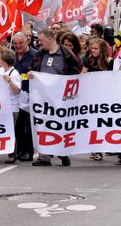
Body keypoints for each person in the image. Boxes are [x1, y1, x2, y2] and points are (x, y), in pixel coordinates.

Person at [30, 28, 81, 167]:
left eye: (41, 40)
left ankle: (63, 153)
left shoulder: (66, 54)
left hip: (60, 98)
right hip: (43, 98)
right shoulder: (40, 54)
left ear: (50, 38)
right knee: (43, 125)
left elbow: (74, 73)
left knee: (60, 125)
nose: (39, 43)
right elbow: (34, 69)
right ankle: (44, 156)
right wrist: (32, 75)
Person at [0, 48, 22, 164]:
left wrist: (10, 81)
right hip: (0, 106)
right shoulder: (1, 70)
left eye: (0, 58)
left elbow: (17, 91)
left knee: (9, 130)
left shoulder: (14, 74)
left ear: (3, 60)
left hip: (12, 107)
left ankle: (12, 154)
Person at [11, 32, 37, 162]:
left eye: (20, 43)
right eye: (15, 43)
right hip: (15, 95)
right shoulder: (13, 56)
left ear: (26, 41)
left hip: (30, 94)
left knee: (28, 124)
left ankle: (29, 150)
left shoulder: (35, 55)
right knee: (17, 124)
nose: (18, 46)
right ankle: (20, 149)